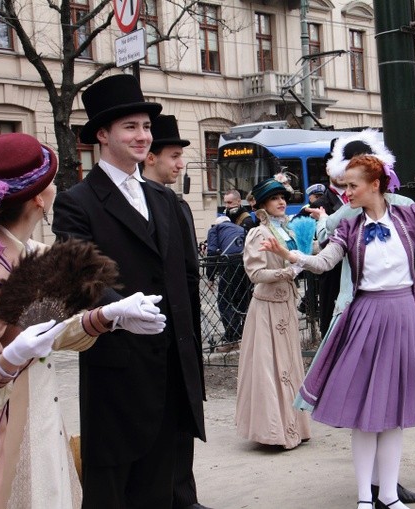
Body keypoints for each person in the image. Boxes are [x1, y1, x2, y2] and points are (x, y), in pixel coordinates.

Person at [0, 133, 166, 508]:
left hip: (34, 403)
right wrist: (10, 359)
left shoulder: (30, 253)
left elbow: (54, 332)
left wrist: (109, 316)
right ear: (39, 200)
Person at [262, 154, 415, 509]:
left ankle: (388, 496)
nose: (346, 193)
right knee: (365, 415)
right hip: (366, 319)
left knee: (395, 414)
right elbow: (324, 262)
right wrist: (292, 255)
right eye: (343, 186)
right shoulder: (348, 226)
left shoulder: (407, 214)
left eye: (352, 185)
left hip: (408, 316)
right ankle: (365, 499)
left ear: (375, 184)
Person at [52, 74, 205, 509]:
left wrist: (190, 351)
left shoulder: (163, 199)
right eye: (130, 128)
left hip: (172, 365)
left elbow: (185, 280)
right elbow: (77, 276)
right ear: (103, 135)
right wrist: (118, 310)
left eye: (146, 127)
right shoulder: (78, 201)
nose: (143, 137)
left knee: (161, 483)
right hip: (118, 367)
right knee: (113, 488)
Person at [142, 114, 211, 509]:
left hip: (184, 327)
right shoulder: (139, 204)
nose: (180, 163)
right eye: (173, 155)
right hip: (152, 326)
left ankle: (185, 495)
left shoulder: (178, 205)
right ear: (150, 158)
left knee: (185, 414)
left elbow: (189, 273)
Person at [235, 177, 312, 449]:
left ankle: (294, 427)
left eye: (283, 198)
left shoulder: (288, 231)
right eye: (274, 199)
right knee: (270, 367)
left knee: (289, 365)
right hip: (267, 308)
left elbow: (307, 255)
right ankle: (272, 432)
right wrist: (288, 272)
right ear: (263, 204)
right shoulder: (259, 233)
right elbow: (255, 274)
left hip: (286, 306)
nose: (281, 203)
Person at [309, 131, 396, 337]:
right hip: (338, 283)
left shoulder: (400, 206)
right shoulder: (322, 206)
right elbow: (321, 243)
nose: (349, 191)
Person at [205, 216, 250, 353]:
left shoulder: (215, 229)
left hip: (229, 264)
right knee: (243, 300)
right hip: (245, 263)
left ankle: (232, 339)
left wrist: (210, 276)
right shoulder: (240, 228)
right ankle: (247, 335)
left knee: (225, 301)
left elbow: (211, 251)